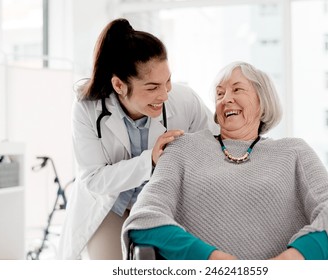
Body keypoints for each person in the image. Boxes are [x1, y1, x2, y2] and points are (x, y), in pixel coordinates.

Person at [121, 61, 328, 260]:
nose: (226, 98)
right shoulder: (182, 148)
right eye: (219, 93)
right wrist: (212, 260)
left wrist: (292, 260)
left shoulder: (294, 152)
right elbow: (145, 217)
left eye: (237, 89)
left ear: (262, 101)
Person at [58, 18, 217, 260]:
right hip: (109, 206)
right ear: (119, 85)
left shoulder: (185, 101)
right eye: (152, 88)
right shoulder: (87, 109)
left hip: (160, 206)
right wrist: (150, 161)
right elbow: (93, 179)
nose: (164, 95)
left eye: (167, 82)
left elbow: (217, 142)